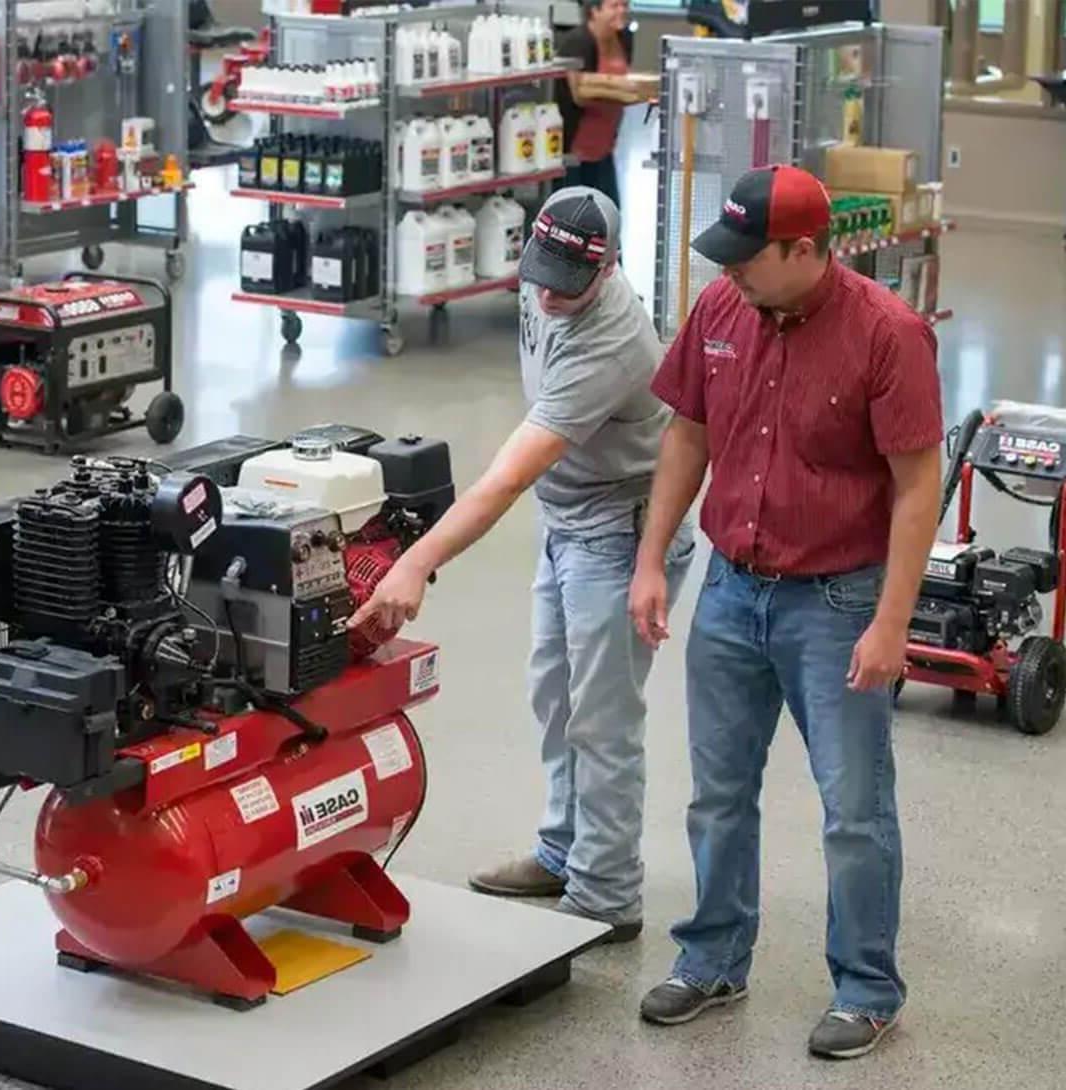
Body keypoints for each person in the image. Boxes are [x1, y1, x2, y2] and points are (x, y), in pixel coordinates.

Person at [628, 165, 942, 1059]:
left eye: (747, 257)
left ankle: (868, 988)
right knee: (718, 795)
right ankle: (715, 958)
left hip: (837, 602)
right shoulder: (722, 311)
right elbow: (687, 434)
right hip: (730, 589)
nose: (728, 273)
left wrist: (891, 622)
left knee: (852, 807)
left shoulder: (889, 334)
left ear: (804, 251)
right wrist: (654, 560)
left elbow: (919, 486)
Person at [349, 187, 693, 937]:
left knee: (602, 719)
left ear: (608, 270)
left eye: (565, 286)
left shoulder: (614, 338)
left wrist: (415, 563)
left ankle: (606, 894)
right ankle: (565, 849)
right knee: (556, 697)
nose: (544, 295)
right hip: (568, 515)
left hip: (620, 528)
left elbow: (507, 477)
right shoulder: (546, 280)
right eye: (537, 275)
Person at [555, 0, 643, 207]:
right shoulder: (577, 41)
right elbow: (578, 95)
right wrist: (621, 89)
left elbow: (625, 83)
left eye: (625, 5)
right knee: (576, 215)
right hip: (576, 149)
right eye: (614, 6)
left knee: (609, 215)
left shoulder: (624, 38)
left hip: (605, 146)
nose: (622, 11)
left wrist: (628, 91)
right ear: (594, 11)